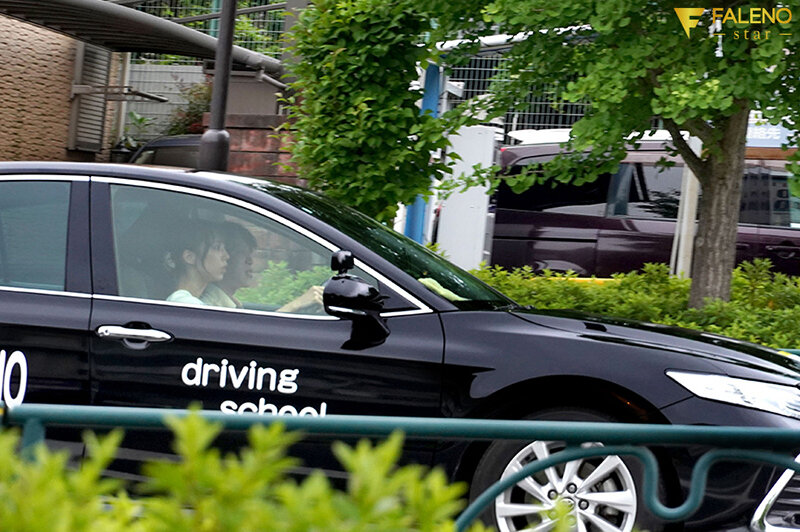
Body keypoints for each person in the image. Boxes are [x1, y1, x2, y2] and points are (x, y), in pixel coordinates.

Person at [201, 221, 324, 313]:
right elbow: (248, 337)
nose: (250, 261)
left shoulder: (230, 303)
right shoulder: (210, 306)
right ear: (225, 256)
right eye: (241, 253)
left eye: (250, 254)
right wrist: (296, 305)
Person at [165, 222, 229, 305]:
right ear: (189, 257)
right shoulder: (185, 303)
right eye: (217, 247)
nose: (226, 256)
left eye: (224, 248)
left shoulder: (202, 300)